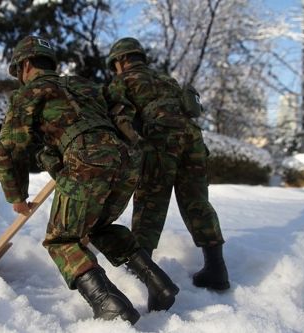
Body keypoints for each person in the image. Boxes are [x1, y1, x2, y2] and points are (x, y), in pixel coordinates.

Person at [0, 36, 179, 323]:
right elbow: (121, 112)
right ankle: (158, 283)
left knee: (62, 239)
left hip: (86, 159)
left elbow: (9, 150)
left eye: (18, 71)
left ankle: (109, 304)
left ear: (26, 64)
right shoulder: (85, 85)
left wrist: (17, 195)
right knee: (99, 226)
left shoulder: (29, 93)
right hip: (126, 161)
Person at [105, 37, 230, 291]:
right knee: (197, 201)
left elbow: (120, 118)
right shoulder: (167, 80)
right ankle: (216, 268)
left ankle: (144, 274)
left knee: (150, 202)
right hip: (193, 140)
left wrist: (133, 147)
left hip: (159, 139)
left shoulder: (122, 81)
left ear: (120, 60)